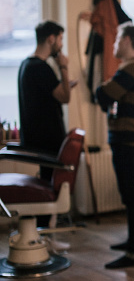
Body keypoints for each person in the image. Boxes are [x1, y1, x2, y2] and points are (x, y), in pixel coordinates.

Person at [95, 24, 134, 269]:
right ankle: (131, 242)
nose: (114, 43)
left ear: (127, 40)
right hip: (124, 141)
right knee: (129, 195)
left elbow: (104, 96)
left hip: (128, 142)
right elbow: (107, 98)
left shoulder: (132, 68)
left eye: (117, 38)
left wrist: (102, 90)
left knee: (133, 196)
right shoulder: (127, 69)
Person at [18, 20, 77, 182]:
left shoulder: (26, 64)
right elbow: (65, 98)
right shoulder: (41, 67)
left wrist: (65, 85)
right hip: (47, 140)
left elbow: (46, 95)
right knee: (52, 183)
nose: (61, 45)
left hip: (38, 138)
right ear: (51, 39)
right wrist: (63, 67)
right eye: (60, 39)